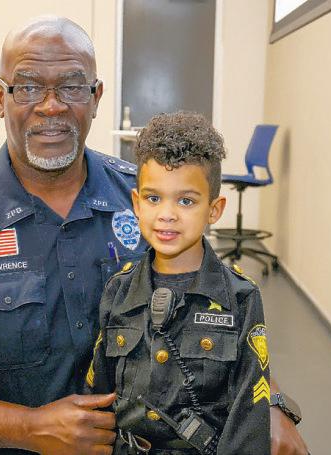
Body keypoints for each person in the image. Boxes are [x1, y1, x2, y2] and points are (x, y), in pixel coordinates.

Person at [0, 15, 308, 455]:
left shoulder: (151, 204)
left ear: (96, 97)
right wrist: (28, 428)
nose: (51, 106)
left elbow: (220, 311)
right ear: (0, 97)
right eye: (28, 87)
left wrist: (267, 402)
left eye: (72, 86)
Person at [87, 111, 270, 454]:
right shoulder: (118, 290)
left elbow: (249, 415)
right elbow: (98, 393)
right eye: (153, 198)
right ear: (136, 204)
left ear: (214, 209)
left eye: (186, 201)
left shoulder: (241, 297)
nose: (167, 214)